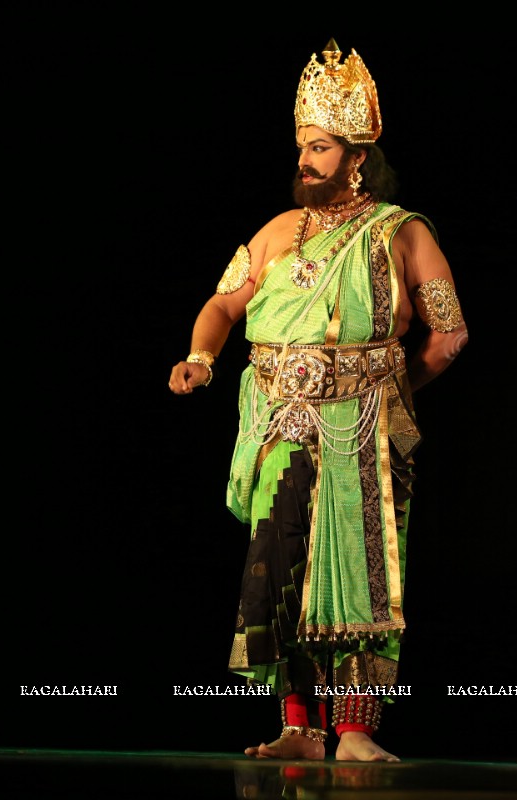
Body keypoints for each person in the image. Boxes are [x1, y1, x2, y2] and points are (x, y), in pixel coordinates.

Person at [167, 40, 467, 762]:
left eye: (323, 148)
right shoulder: (274, 233)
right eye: (303, 145)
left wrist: (383, 392)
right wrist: (200, 359)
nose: (306, 160)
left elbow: (450, 333)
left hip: (363, 431)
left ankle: (357, 729)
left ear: (358, 155)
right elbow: (220, 306)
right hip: (280, 429)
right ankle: (298, 727)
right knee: (279, 569)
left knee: (361, 574)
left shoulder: (403, 231)